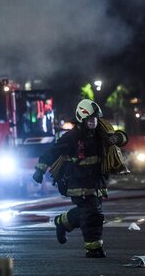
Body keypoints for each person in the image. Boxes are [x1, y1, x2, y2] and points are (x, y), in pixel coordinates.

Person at [32, 99, 128, 258]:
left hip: (96, 182)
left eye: (96, 119)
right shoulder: (72, 136)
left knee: (87, 212)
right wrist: (40, 169)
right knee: (93, 214)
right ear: (82, 119)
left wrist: (116, 139)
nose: (94, 122)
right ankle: (93, 248)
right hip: (78, 182)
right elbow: (53, 151)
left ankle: (62, 223)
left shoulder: (101, 133)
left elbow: (123, 138)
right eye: (90, 119)